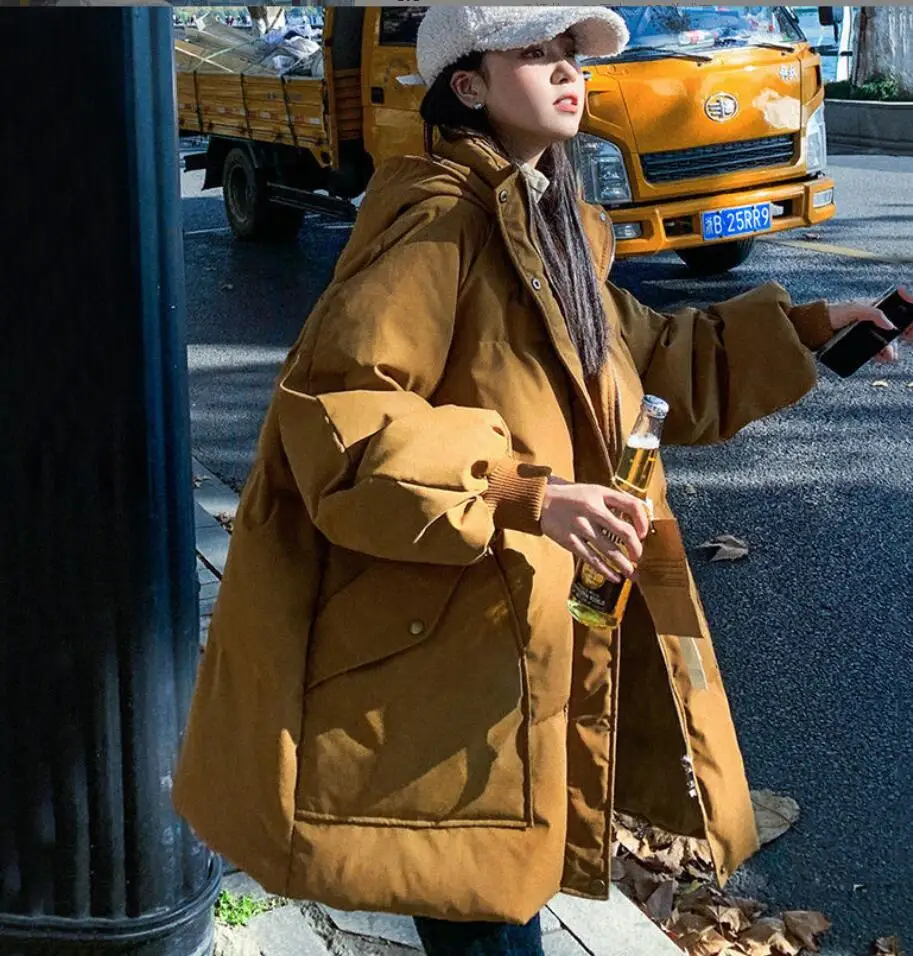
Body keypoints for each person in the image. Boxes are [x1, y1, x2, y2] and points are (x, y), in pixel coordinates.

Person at [172, 7, 913, 956]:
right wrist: (525, 492)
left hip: (515, 635)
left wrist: (812, 328)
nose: (568, 71)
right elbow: (343, 414)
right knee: (484, 903)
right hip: (446, 652)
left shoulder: (546, 220)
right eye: (535, 52)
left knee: (504, 889)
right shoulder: (440, 224)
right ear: (467, 86)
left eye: (570, 53)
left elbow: (646, 362)